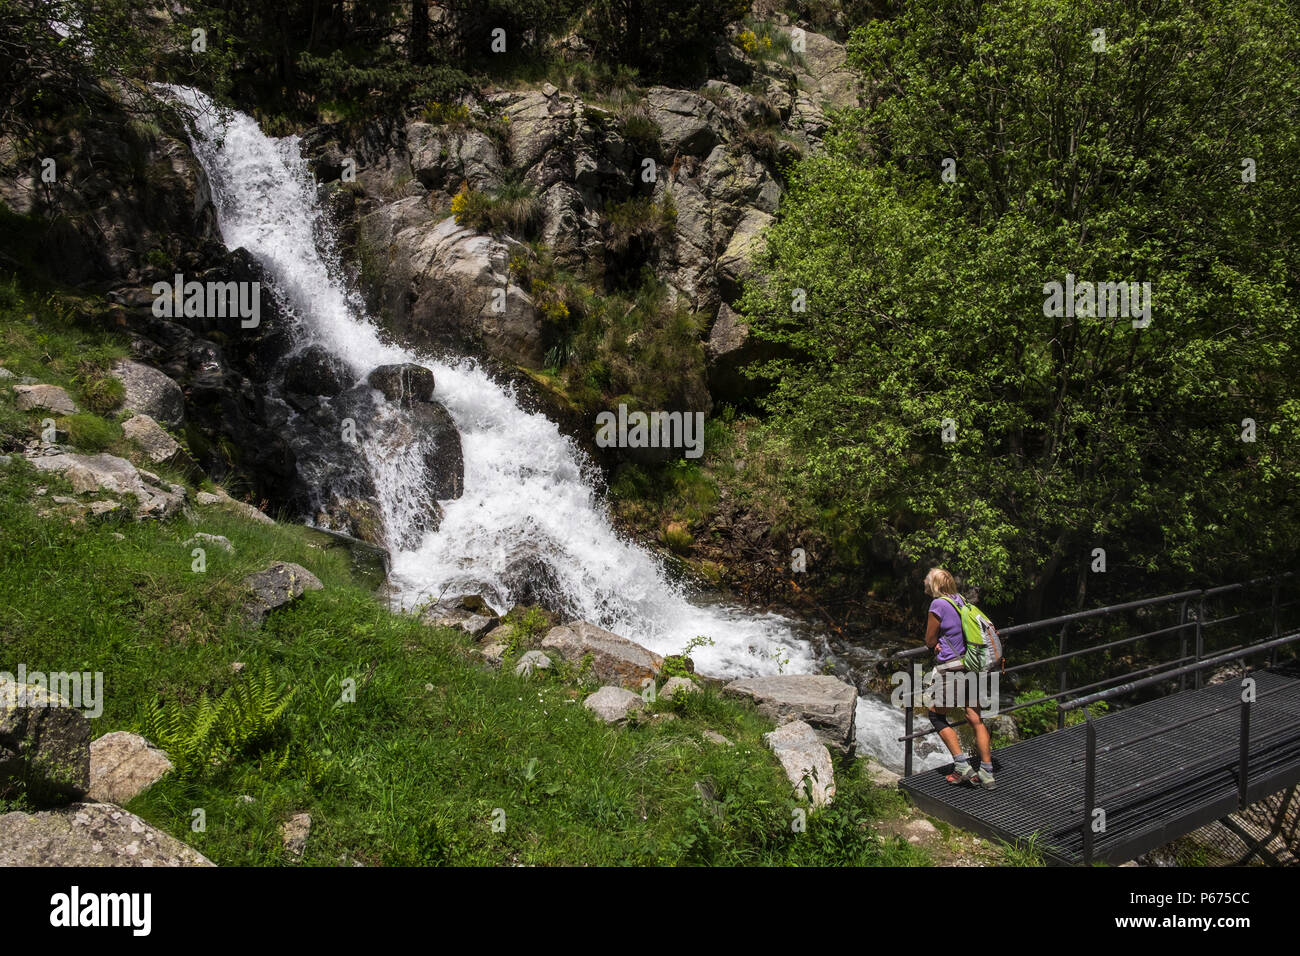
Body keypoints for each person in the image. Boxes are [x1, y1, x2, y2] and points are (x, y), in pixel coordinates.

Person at [921, 567, 995, 789]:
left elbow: (929, 640)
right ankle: (987, 771)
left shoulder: (938, 605)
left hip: (952, 668)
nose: (924, 580)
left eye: (927, 577)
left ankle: (962, 765)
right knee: (975, 718)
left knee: (936, 716)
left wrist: (935, 646)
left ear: (934, 583)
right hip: (971, 664)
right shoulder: (959, 600)